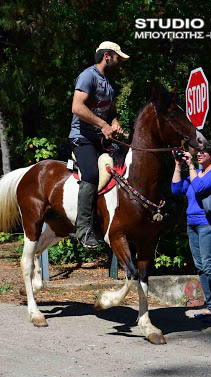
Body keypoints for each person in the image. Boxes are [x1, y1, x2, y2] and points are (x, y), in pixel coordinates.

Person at [69, 41, 129, 248]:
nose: (119, 62)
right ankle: (83, 229)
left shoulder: (110, 82)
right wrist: (103, 125)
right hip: (82, 137)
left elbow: (111, 113)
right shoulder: (88, 76)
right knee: (92, 175)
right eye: (117, 58)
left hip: (101, 138)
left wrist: (115, 123)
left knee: (125, 163)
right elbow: (77, 107)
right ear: (107, 56)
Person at [171, 141, 211, 323]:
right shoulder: (197, 173)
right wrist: (178, 165)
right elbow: (176, 188)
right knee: (201, 267)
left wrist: (191, 165)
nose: (199, 155)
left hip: (209, 223)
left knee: (210, 264)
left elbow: (201, 188)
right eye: (198, 153)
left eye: (204, 152)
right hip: (192, 223)